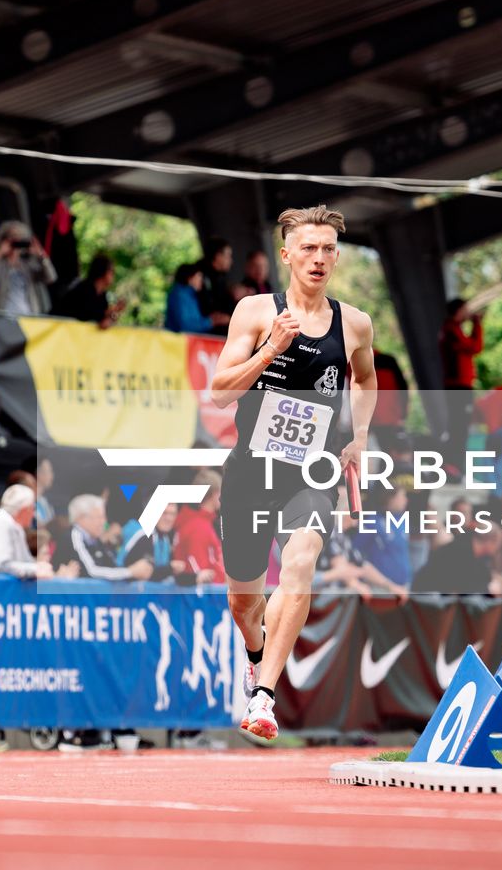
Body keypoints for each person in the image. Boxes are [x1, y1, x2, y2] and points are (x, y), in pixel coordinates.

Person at [208, 204, 378, 742]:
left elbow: (366, 379)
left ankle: (264, 695)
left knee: (300, 563)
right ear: (286, 255)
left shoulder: (354, 323)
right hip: (251, 471)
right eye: (308, 248)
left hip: (313, 469)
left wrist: (360, 436)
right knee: (243, 601)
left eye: (329, 249)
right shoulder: (255, 312)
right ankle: (254, 650)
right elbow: (219, 394)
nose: (320, 258)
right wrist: (272, 349)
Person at [0, 220, 56, 316]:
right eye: (12, 237)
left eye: (19, 237)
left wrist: (42, 256)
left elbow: (51, 278)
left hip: (28, 316)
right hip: (1, 316)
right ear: (4, 239)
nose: (16, 240)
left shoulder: (28, 265)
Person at [65, 494, 147, 581]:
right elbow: (91, 571)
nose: (103, 522)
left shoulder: (96, 540)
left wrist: (136, 571)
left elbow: (112, 566)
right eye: (99, 517)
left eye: (104, 517)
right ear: (82, 518)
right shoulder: (74, 535)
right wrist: (131, 571)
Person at [0, 484, 53, 579]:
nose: (33, 514)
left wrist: (40, 566)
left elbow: (26, 561)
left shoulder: (15, 526)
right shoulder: (1, 522)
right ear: (24, 509)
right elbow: (1, 565)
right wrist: (35, 569)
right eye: (32, 508)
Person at [53, 254, 124, 328]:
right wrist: (112, 311)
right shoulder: (84, 289)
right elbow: (85, 314)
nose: (113, 274)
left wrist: (112, 316)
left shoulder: (102, 296)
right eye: (111, 271)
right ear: (102, 270)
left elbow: (102, 322)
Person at [197, 237, 236, 333]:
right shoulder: (200, 276)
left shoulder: (220, 277)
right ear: (218, 256)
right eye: (228, 256)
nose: (231, 261)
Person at [163, 262, 210, 334]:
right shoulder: (179, 295)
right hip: (178, 342)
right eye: (199, 277)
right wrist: (210, 322)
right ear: (189, 278)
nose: (201, 281)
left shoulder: (190, 295)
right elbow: (185, 326)